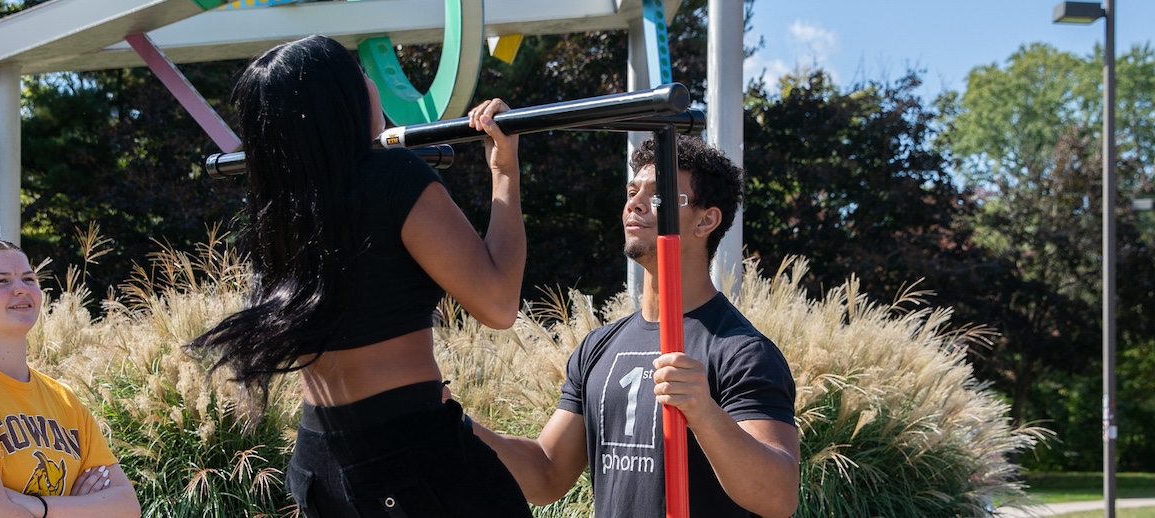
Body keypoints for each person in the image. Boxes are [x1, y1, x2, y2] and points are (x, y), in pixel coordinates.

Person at [187, 35, 531, 517]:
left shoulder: (278, 206)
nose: (373, 85)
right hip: (409, 455)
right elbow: (498, 303)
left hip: (319, 462)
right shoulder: (393, 178)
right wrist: (506, 173)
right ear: (339, 103)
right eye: (362, 76)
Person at [474, 136, 799, 517]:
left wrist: (705, 413)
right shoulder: (599, 346)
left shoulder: (741, 352)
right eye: (633, 191)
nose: (635, 203)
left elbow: (778, 497)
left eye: (658, 196)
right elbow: (546, 474)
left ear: (706, 219)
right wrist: (452, 422)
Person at [0, 240, 141, 518]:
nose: (21, 289)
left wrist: (37, 507)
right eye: (1, 281)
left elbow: (127, 507)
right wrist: (80, 509)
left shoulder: (64, 399)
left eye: (29, 279)